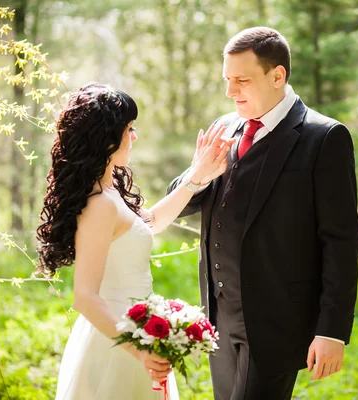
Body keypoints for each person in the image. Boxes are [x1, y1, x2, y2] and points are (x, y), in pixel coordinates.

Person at [167, 27, 358, 400]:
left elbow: (340, 241)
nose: (230, 91)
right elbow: (180, 205)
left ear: (277, 76)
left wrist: (331, 330)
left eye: (241, 80)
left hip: (277, 321)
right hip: (218, 318)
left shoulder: (325, 137)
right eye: (227, 79)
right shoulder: (225, 127)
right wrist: (198, 173)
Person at [36, 82, 232, 400]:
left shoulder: (109, 188)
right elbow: (84, 297)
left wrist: (197, 175)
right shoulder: (98, 204)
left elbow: (150, 223)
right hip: (116, 341)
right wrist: (138, 350)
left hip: (137, 331)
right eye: (129, 128)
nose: (135, 136)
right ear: (106, 137)